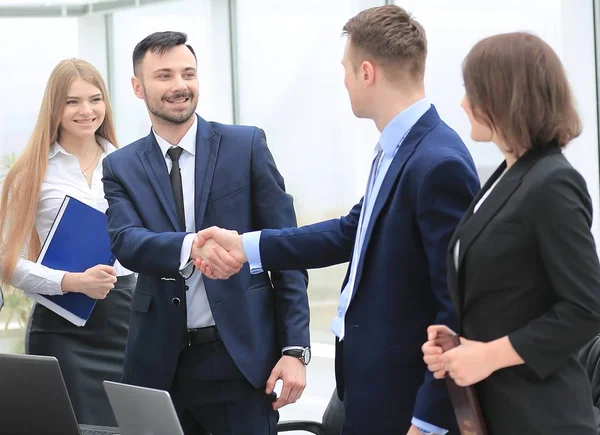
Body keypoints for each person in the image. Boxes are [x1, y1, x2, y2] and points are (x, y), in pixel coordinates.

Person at [194, 6, 480, 434]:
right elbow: (350, 231)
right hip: (366, 387)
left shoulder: (437, 162)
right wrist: (246, 245)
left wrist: (431, 420)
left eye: (346, 69)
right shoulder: (401, 149)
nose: (343, 80)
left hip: (404, 402)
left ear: (366, 72)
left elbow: (455, 306)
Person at [101, 31, 310, 435]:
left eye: (188, 73)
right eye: (164, 75)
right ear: (137, 86)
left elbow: (287, 251)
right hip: (159, 366)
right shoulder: (121, 166)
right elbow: (125, 240)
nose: (180, 85)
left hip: (243, 361)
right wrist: (190, 246)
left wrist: (295, 349)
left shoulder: (245, 145)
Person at [421, 32, 600, 434]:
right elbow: (511, 296)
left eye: (473, 91)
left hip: (543, 417)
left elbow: (587, 308)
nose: (464, 103)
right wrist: (460, 342)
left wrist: (488, 355)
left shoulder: (553, 182)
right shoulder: (507, 177)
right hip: (497, 412)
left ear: (504, 97)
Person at [0, 59, 134, 426]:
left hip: (127, 318)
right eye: (72, 101)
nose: (86, 111)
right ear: (54, 107)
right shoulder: (31, 172)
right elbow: (7, 262)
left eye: (95, 99)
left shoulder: (130, 165)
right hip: (62, 326)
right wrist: (71, 282)